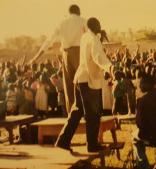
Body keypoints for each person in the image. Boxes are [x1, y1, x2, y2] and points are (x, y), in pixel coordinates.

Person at [55, 17, 113, 153]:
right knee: (93, 114)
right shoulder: (93, 39)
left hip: (80, 78)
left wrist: (100, 37)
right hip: (89, 81)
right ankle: (92, 145)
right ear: (93, 26)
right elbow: (98, 56)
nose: (100, 25)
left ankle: (63, 141)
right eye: (99, 24)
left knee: (77, 110)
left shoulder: (85, 37)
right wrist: (109, 67)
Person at [29, 4, 87, 114]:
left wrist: (36, 57)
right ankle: (86, 113)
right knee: (83, 83)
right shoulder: (82, 20)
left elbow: (49, 40)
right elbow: (90, 37)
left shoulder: (62, 22)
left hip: (66, 54)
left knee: (69, 87)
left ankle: (72, 115)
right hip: (79, 52)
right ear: (78, 11)